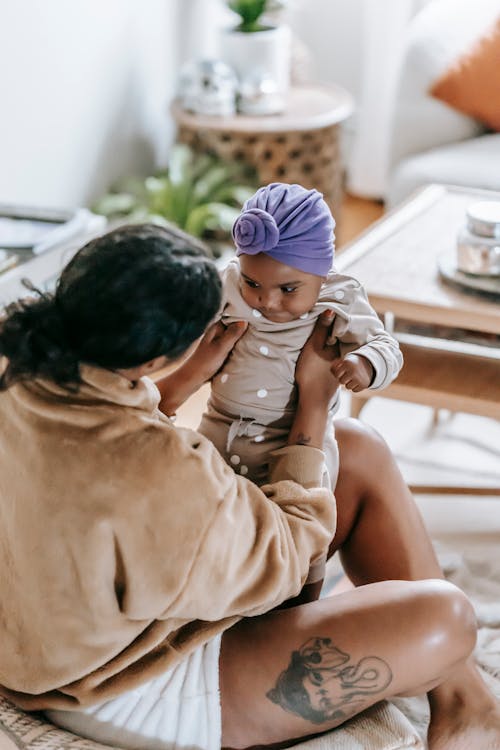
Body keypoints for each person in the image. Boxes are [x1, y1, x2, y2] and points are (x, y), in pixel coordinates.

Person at [0, 223, 498, 750]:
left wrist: (180, 383)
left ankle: (468, 703)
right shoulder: (160, 466)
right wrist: (311, 403)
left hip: (64, 632)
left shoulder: (25, 363)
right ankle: (467, 700)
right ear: (152, 359)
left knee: (353, 446)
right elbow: (287, 556)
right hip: (118, 688)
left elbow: (99, 448)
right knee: (446, 617)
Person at [196, 182, 402, 496]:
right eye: (253, 283)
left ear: (324, 274)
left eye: (288, 289)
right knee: (202, 498)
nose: (267, 301)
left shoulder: (340, 296)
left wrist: (365, 363)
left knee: (298, 507)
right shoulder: (230, 282)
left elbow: (386, 346)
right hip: (219, 426)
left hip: (294, 439)